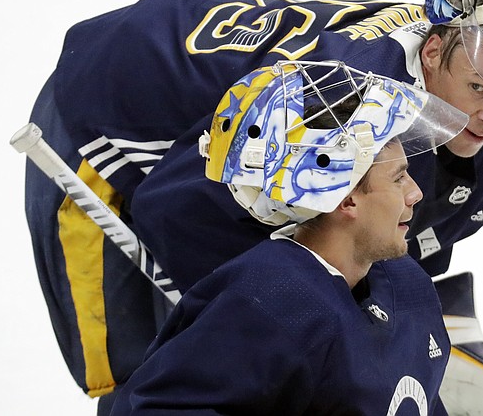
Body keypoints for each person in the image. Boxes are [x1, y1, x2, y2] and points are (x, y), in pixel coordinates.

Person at [20, 0, 483, 415]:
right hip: (108, 120)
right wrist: (294, 333)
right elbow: (176, 212)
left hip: (227, 93)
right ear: (434, 51)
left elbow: (409, 237)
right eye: (481, 90)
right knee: (155, 371)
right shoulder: (341, 110)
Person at [108, 60, 464, 415]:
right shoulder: (272, 300)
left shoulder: (408, 285)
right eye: (399, 177)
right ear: (345, 197)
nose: (416, 193)